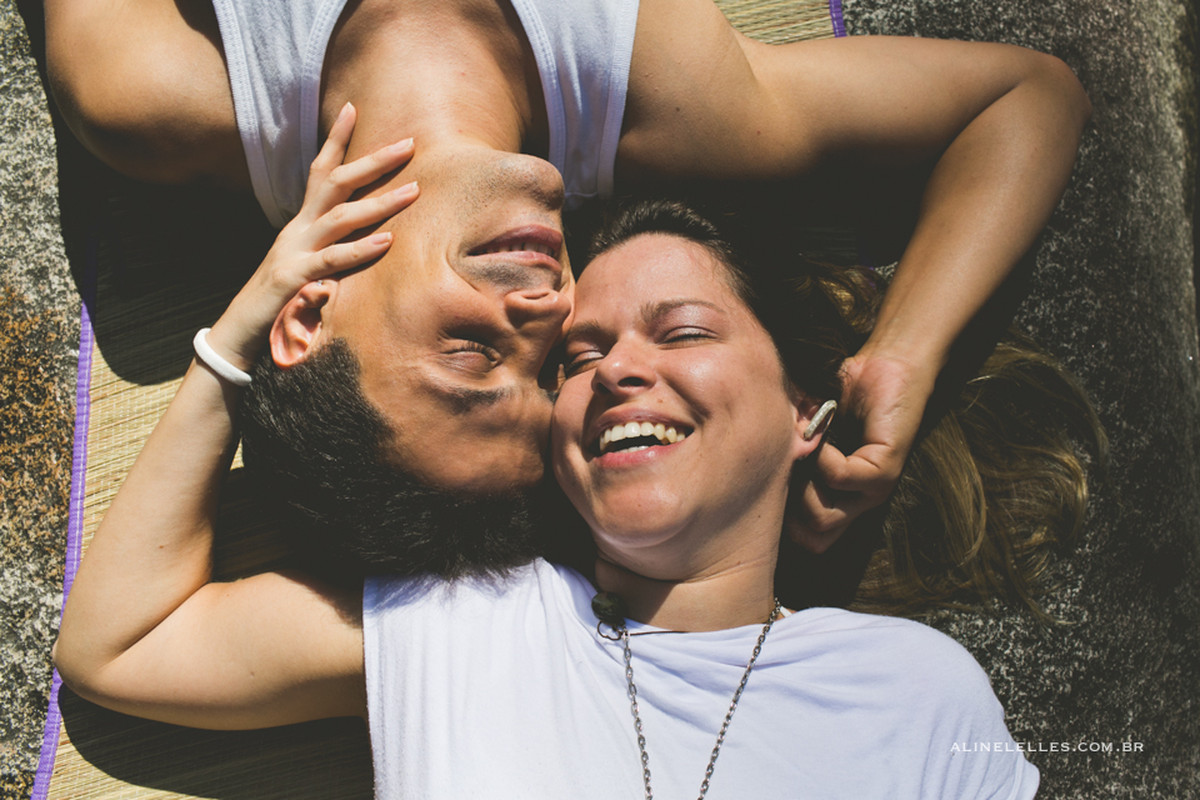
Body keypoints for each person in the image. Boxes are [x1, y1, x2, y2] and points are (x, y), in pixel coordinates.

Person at [54, 122, 1094, 793]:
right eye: (578, 358)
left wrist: (900, 362)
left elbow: (1031, 108)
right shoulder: (468, 621)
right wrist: (238, 332)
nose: (617, 370)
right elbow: (121, 641)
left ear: (802, 414)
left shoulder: (913, 691)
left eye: (681, 331)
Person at [42, 0, 1092, 551]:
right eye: (557, 362)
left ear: (305, 312)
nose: (543, 309)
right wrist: (903, 351)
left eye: (470, 353)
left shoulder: (156, 94)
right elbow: (1023, 102)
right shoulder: (670, 98)